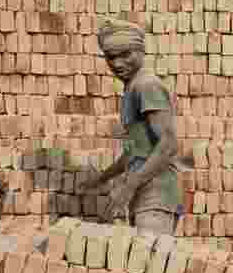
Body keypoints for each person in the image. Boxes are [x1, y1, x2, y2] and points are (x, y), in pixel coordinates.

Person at [79, 18, 184, 236]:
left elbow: (169, 145)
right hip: (144, 195)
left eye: (125, 55)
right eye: (111, 57)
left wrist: (128, 186)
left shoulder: (146, 85)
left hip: (157, 195)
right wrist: (102, 178)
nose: (117, 64)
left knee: (151, 263)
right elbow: (134, 152)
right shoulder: (131, 89)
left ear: (141, 51)